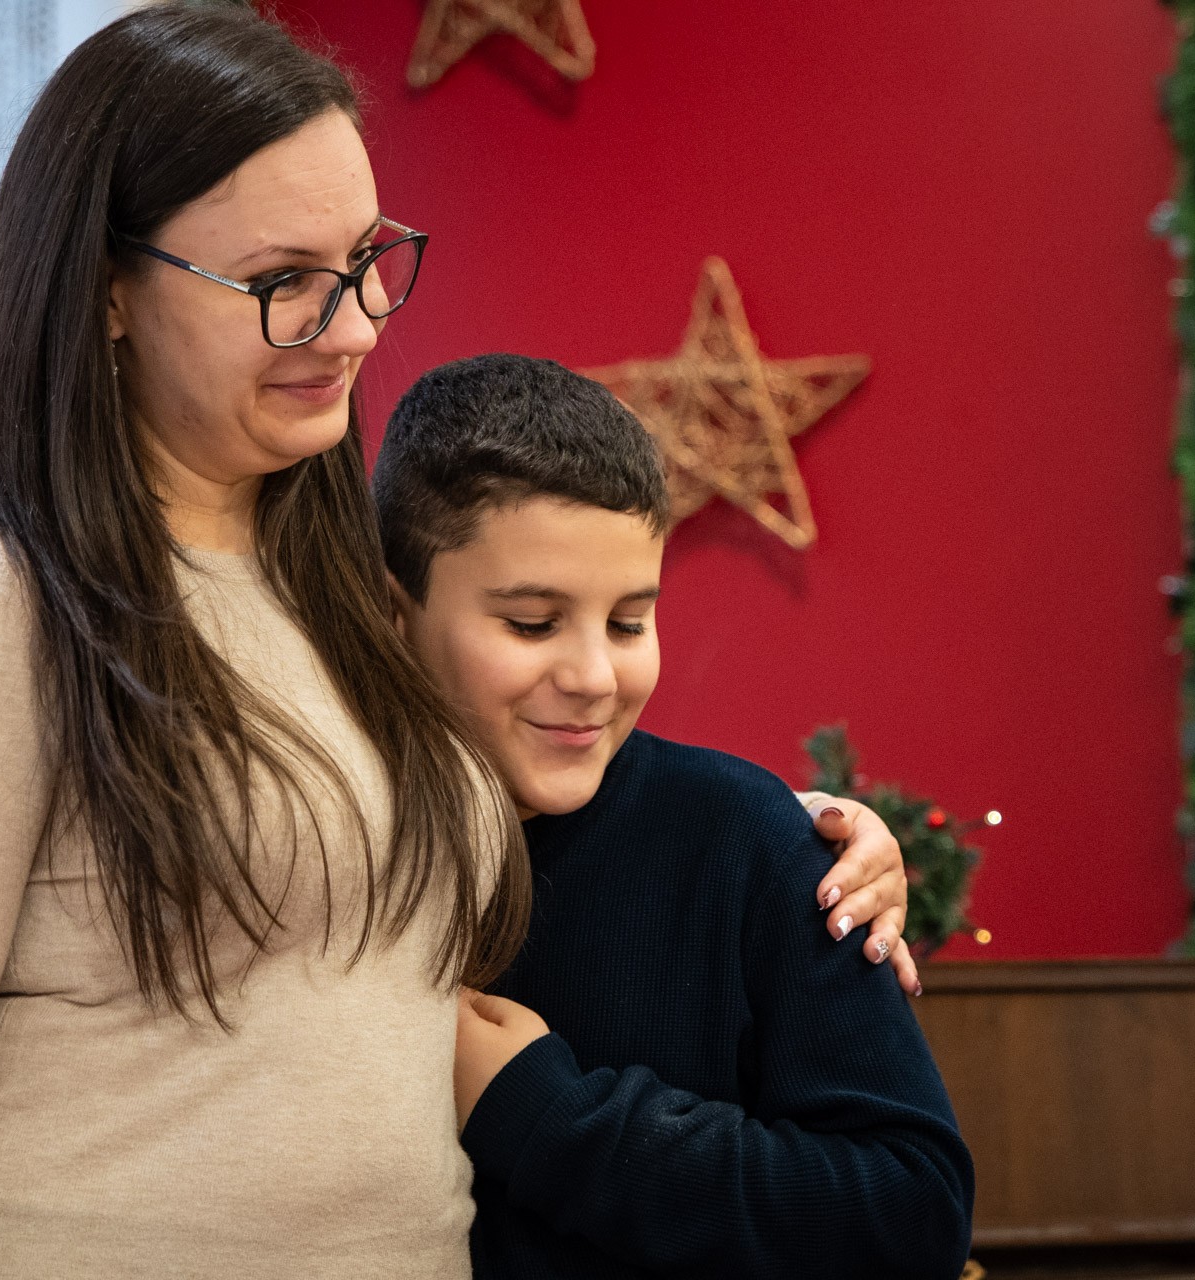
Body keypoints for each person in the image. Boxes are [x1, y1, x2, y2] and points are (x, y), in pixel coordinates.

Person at [0, 6, 905, 1277]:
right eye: (283, 284)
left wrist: (796, 842)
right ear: (106, 291)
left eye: (365, 261)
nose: (358, 325)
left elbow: (484, 792)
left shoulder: (343, 594)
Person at [376, 354, 975, 1279]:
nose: (593, 678)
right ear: (392, 615)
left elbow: (914, 1213)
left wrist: (552, 1120)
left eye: (628, 623)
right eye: (532, 623)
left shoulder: (750, 839)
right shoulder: (327, 844)